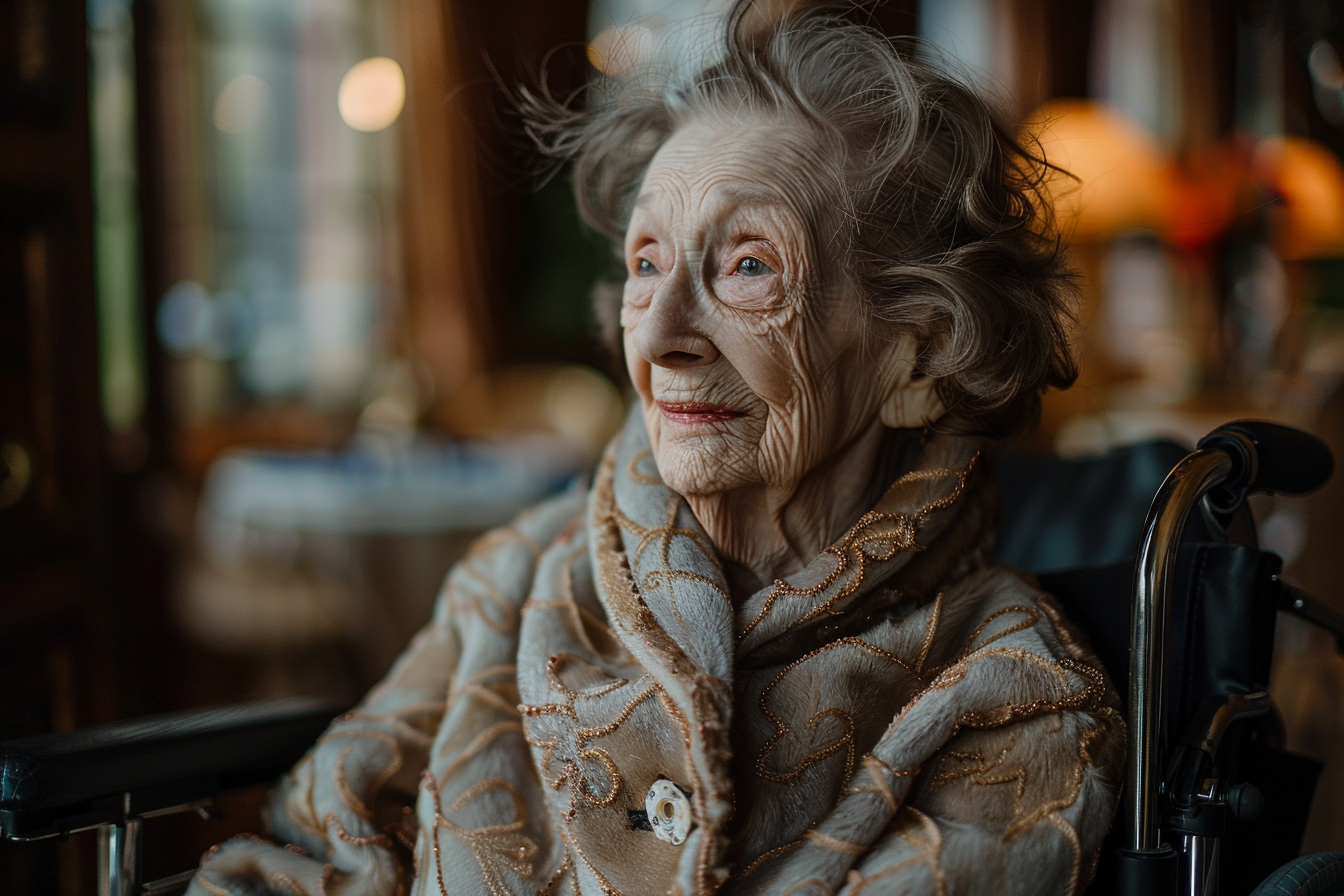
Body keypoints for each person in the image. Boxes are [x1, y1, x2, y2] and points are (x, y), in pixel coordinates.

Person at [188, 6, 1124, 895]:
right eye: (646, 264)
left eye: (749, 265)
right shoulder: (517, 575)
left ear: (918, 354)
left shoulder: (1015, 699)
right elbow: (308, 850)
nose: (663, 334)